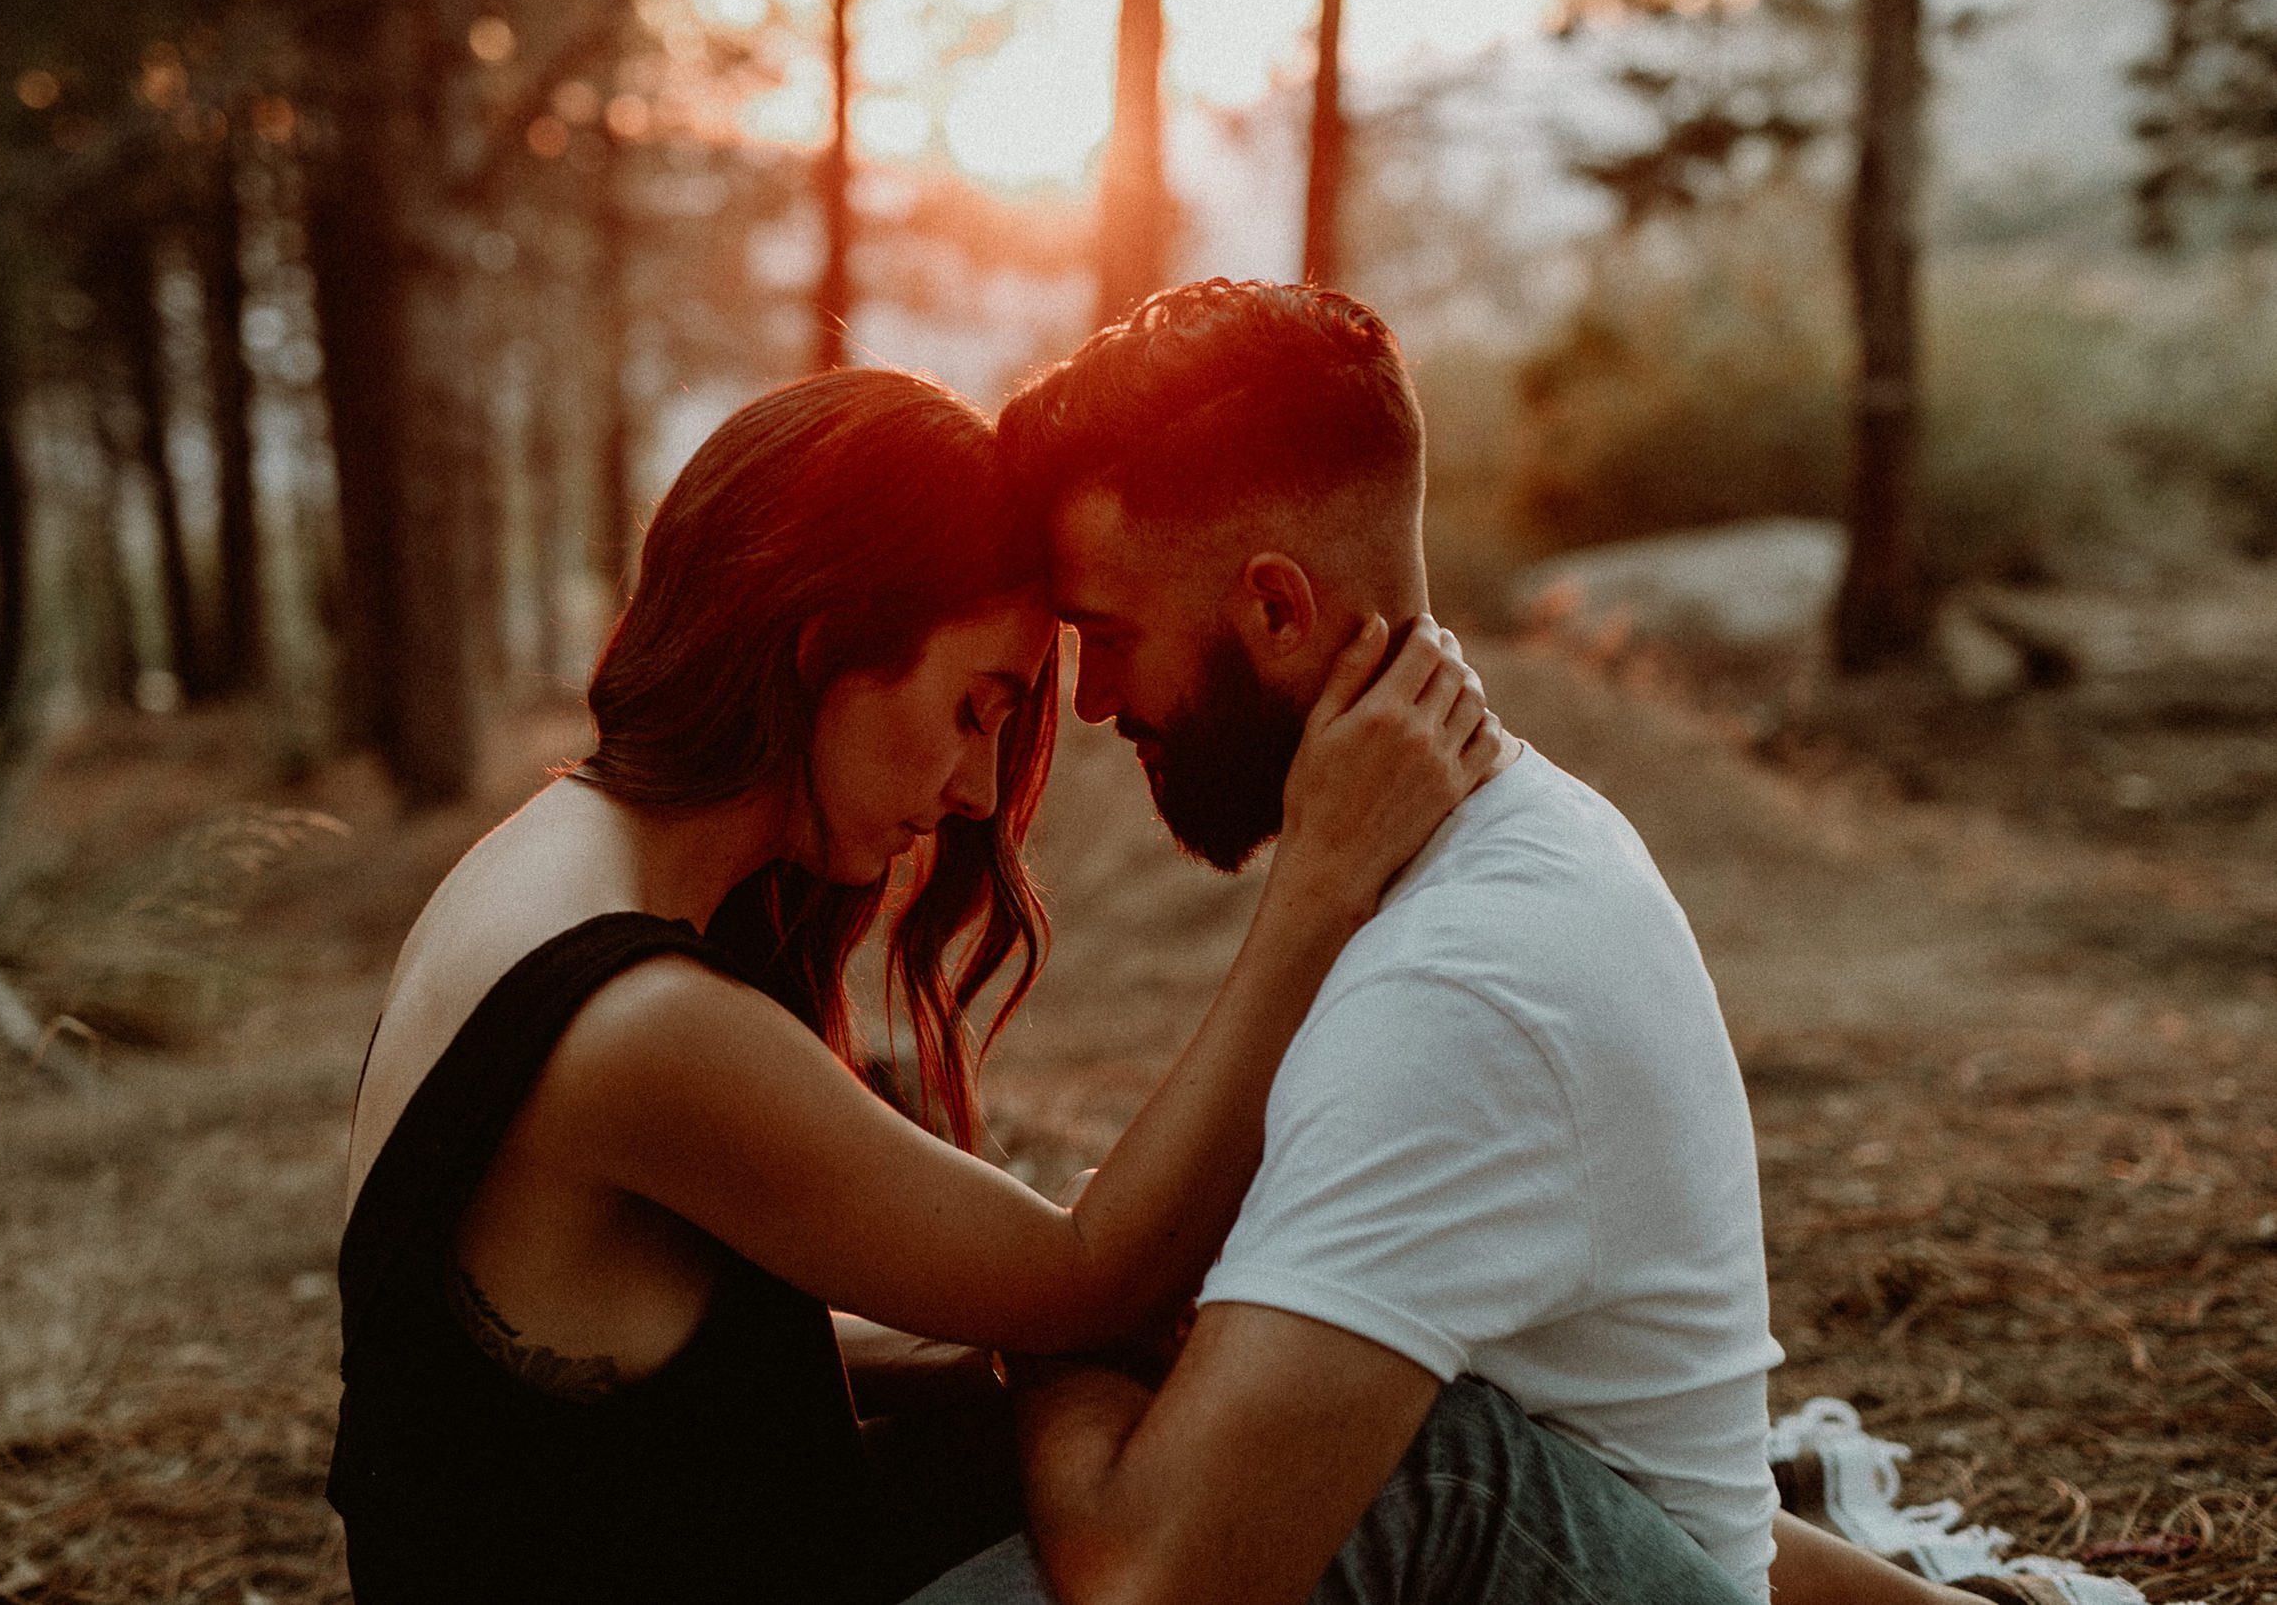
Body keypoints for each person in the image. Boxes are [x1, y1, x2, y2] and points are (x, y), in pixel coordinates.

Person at [325, 365, 1512, 1604]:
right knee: (1430, 1477)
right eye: (972, 707)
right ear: (822, 645)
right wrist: (1321, 882)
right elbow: (1093, 1274)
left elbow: (650, 1380)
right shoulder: (642, 1026)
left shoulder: (531, 868)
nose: (980, 792)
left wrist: (1006, 1357)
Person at [892, 279, 2001, 1605]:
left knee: (1411, 1473)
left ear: (1278, 611)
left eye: (1113, 636)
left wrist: (1064, 1345)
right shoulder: (1503, 844)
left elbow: (1155, 1584)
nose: (1092, 702)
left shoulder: (1460, 977)